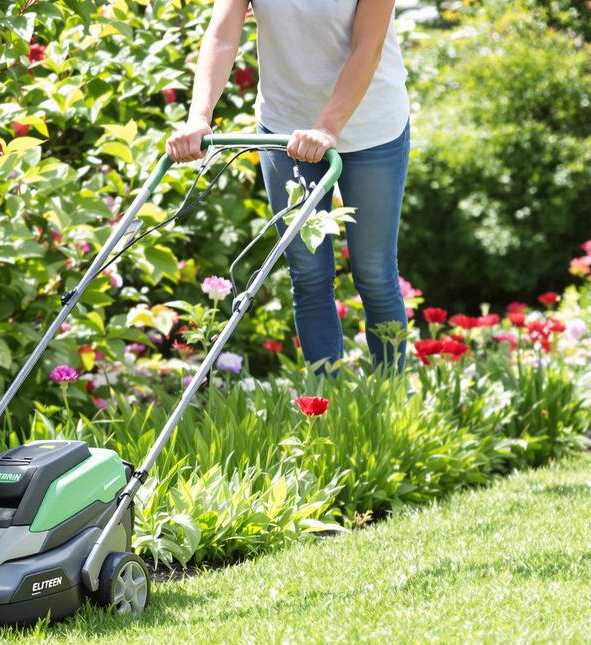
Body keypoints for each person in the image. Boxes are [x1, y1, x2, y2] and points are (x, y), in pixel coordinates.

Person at [167, 0, 411, 371]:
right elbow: (221, 35)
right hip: (285, 126)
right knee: (309, 272)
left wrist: (327, 128)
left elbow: (368, 46)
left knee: (374, 272)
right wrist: (199, 117)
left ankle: (388, 402)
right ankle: (322, 407)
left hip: (372, 128)